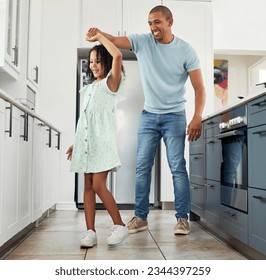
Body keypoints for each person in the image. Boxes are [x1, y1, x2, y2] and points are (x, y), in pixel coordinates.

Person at [87, 5, 206, 235]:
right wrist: (100, 34)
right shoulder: (142, 42)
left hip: (175, 116)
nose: (153, 27)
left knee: (177, 167)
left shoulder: (186, 51)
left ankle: (182, 218)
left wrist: (197, 115)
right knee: (142, 167)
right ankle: (141, 217)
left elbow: (199, 87)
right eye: (150, 23)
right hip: (149, 115)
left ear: (170, 21)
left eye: (157, 22)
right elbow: (114, 40)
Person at [66, 31, 129, 247]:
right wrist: (77, 142)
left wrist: (101, 37)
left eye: (98, 61)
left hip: (102, 142)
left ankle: (120, 225)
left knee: (99, 185)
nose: (93, 65)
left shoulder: (110, 83)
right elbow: (85, 119)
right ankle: (90, 232)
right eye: (91, 61)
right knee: (87, 186)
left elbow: (119, 56)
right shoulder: (89, 88)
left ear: (107, 62)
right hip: (87, 142)